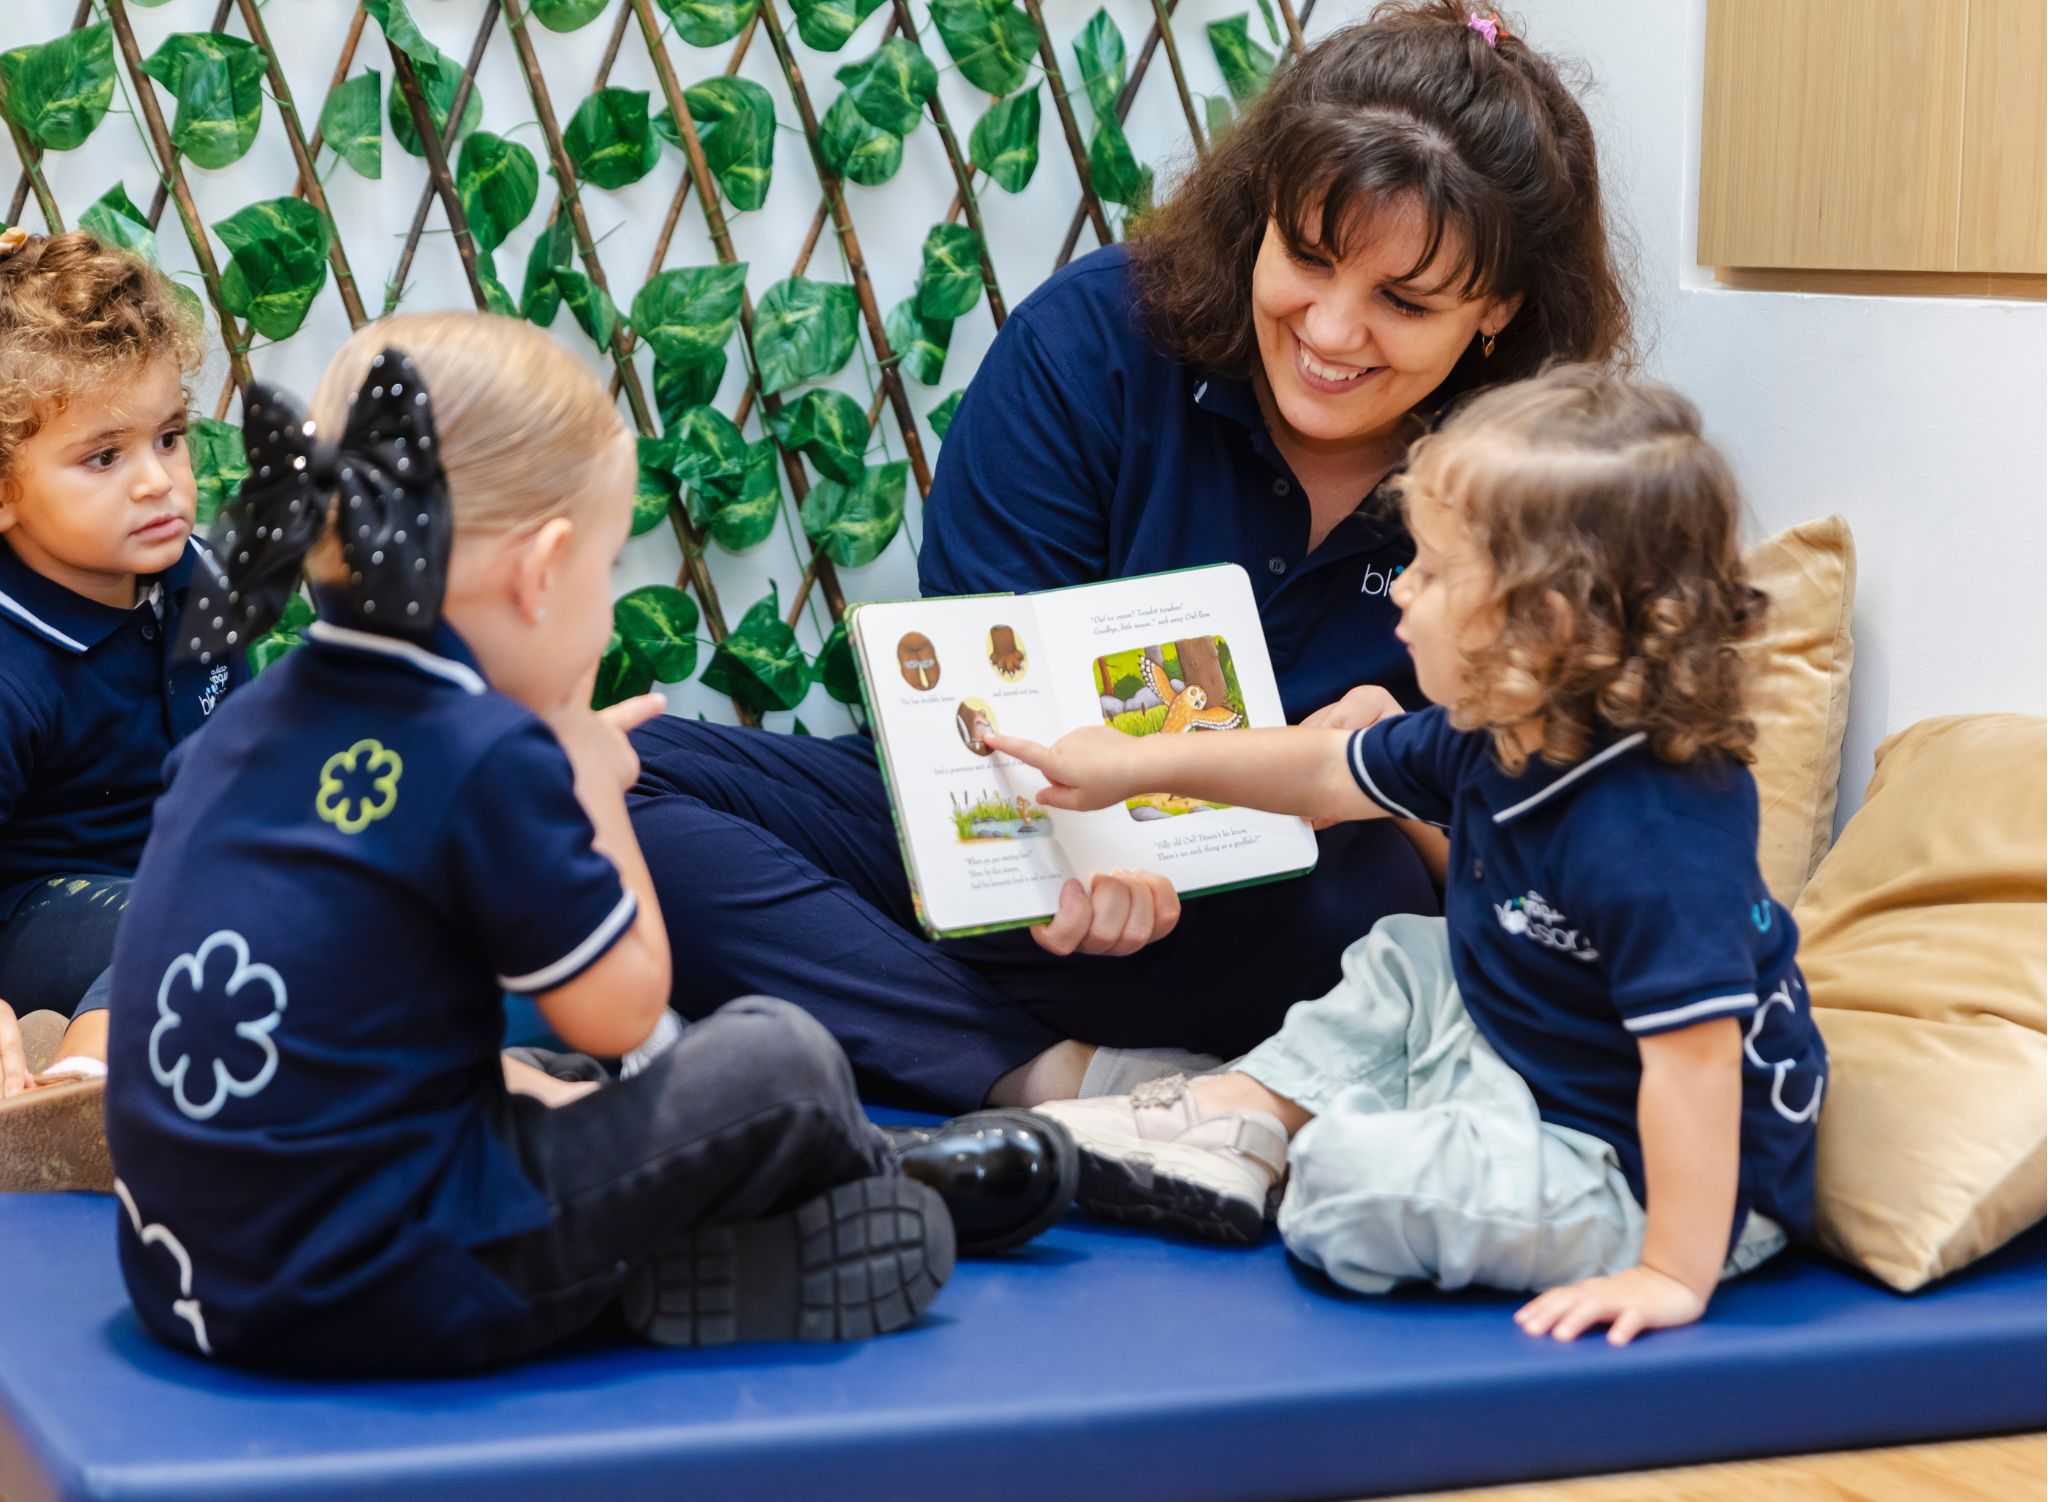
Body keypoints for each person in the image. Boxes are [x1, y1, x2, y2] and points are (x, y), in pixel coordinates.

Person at [625, 0, 1635, 1113]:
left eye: (1400, 300)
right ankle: (1061, 1078)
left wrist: (1384, 793)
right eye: (1304, 257)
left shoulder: (1540, 480)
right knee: (602, 788)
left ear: (1495, 310)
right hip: (1013, 854)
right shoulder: (1091, 341)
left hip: (1295, 920)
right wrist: (1088, 839)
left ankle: (958, 1035)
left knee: (1383, 895)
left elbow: (1558, 851)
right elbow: (971, 696)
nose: (1333, 332)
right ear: (1259, 213)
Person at [101, 314, 1070, 1376]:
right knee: (777, 1060)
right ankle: (831, 1192)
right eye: (606, 569)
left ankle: (690, 1247)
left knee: (548, 1069)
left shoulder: (257, 716)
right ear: (543, 569)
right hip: (380, 1285)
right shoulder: (485, 752)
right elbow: (623, 1005)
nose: (605, 616)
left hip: (192, 1275)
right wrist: (593, 784)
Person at [998, 367, 1828, 1345]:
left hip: (1642, 1175)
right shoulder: (1497, 734)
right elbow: (1317, 767)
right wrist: (1130, 764)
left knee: (1344, 1192)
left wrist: (1668, 1270)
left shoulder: (1651, 832)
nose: (1398, 585)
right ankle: (1235, 1117)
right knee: (1409, 952)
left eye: (1431, 571)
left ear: (1539, 627)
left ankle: (1310, 1153)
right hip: (1527, 1063)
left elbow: (1693, 1068)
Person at [0, 225, 246, 1105]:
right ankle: (82, 1087)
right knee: (188, 913)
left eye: (170, 438)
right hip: (42, 913)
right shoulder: (10, 660)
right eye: (105, 457)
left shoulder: (196, 578)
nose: (157, 481)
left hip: (193, 875)